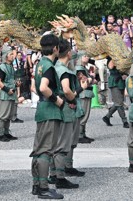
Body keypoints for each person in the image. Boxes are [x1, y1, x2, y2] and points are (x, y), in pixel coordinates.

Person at [30, 34, 64, 199]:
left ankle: (37, 184)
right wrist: (57, 100)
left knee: (38, 149)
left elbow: (36, 87)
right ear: (56, 48)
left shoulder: (40, 64)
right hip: (50, 110)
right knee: (46, 150)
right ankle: (43, 188)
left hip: (42, 109)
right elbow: (43, 87)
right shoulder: (49, 66)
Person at [49, 39, 86, 189]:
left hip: (56, 108)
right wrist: (79, 90)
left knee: (55, 143)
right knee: (63, 145)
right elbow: (66, 89)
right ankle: (60, 177)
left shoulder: (54, 67)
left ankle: (53, 174)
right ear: (69, 53)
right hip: (65, 107)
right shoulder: (64, 70)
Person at [0, 46, 20, 142]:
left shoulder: (10, 66)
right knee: (2, 115)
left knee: (9, 115)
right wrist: (6, 89)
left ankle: (6, 132)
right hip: (6, 94)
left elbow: (11, 79)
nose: (12, 56)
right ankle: (1, 134)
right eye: (10, 54)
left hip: (12, 93)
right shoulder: (2, 67)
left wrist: (16, 83)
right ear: (6, 56)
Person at [102, 58, 129, 128]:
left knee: (118, 102)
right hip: (115, 82)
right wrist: (114, 56)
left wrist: (125, 75)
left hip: (121, 82)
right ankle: (125, 121)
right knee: (119, 102)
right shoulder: (111, 58)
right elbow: (110, 66)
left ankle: (107, 117)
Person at [75, 51, 96, 143]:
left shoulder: (83, 68)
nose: (87, 57)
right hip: (83, 93)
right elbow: (84, 81)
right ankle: (79, 135)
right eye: (85, 56)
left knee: (85, 114)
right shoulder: (79, 69)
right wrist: (91, 77)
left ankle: (83, 134)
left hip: (86, 92)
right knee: (83, 114)